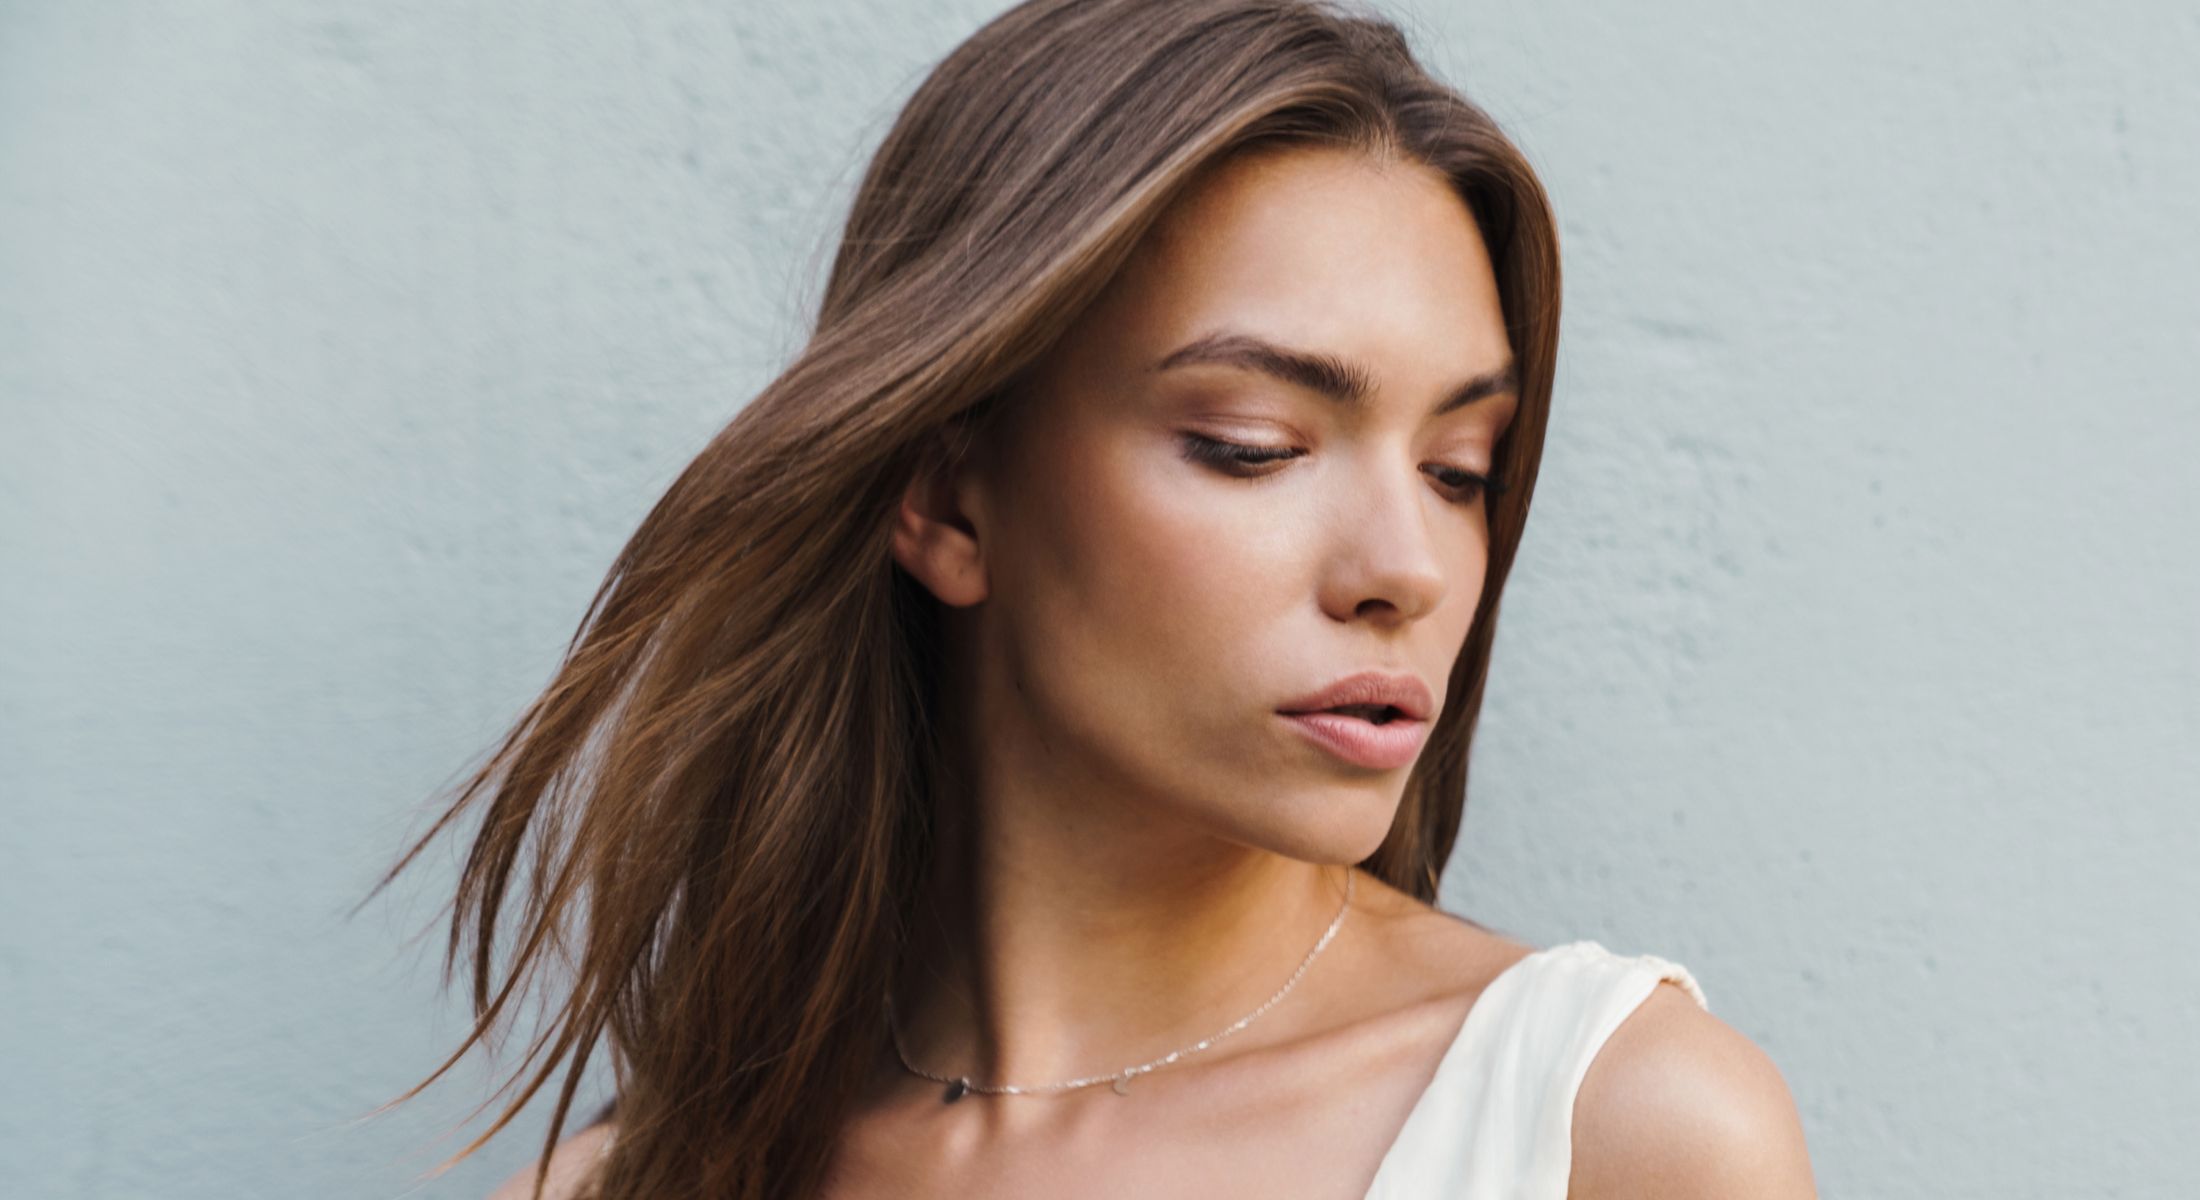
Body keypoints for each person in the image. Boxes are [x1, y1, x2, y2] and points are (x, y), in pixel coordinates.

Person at [362, 1, 1818, 1195]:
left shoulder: (1619, 1133)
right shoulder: (638, 1185)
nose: (1407, 570)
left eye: (1459, 467)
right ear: (945, 500)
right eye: (1254, 449)